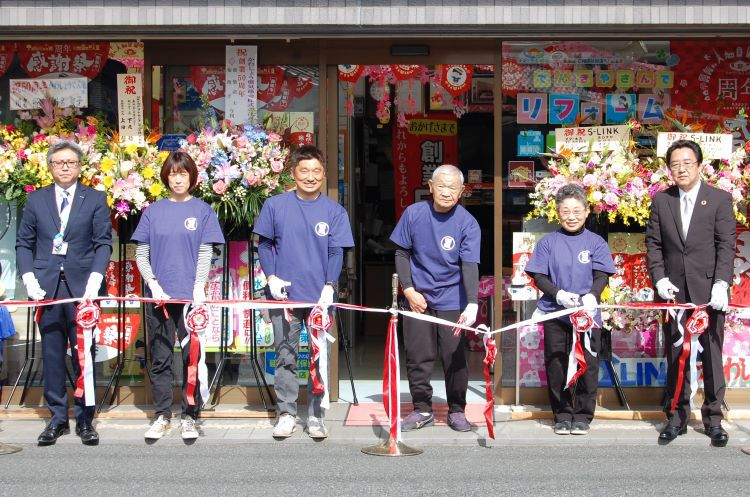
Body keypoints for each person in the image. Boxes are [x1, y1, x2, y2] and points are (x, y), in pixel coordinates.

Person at [253, 144, 353, 440]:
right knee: (285, 354)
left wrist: (330, 285)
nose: (311, 176)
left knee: (318, 356)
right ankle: (286, 413)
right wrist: (271, 277)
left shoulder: (334, 211)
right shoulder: (275, 205)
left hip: (320, 298)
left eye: (317, 171)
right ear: (294, 173)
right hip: (283, 295)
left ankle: (316, 415)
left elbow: (336, 252)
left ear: (324, 174)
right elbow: (265, 245)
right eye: (305, 170)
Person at [16, 140, 112, 446]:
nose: (65, 167)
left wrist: (95, 278)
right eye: (59, 163)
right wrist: (28, 277)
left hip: (83, 288)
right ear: (50, 167)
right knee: (52, 354)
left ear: (80, 166)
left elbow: (103, 243)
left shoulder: (95, 198)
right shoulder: (36, 200)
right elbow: (24, 243)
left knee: (84, 356)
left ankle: (85, 419)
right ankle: (57, 418)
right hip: (47, 288)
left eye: (71, 162)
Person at [646, 139, 735, 446]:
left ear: (699, 165)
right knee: (676, 354)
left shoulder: (719, 199)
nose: (681, 169)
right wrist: (659, 279)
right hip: (674, 293)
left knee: (711, 355)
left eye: (687, 163)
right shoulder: (662, 201)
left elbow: (726, 245)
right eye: (675, 164)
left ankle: (713, 420)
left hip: (709, 292)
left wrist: (722, 283)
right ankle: (677, 417)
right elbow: (654, 245)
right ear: (669, 169)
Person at [132, 151, 224, 442]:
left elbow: (205, 252)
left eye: (183, 173)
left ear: (192, 177)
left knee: (190, 357)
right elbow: (141, 253)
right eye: (173, 174)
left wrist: (198, 285)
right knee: (160, 356)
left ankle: (190, 415)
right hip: (159, 297)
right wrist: (153, 283)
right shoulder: (153, 212)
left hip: (190, 298)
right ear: (166, 178)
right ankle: (162, 415)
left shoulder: (202, 210)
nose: (178, 179)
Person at [390, 164, 480, 432]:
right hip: (417, 299)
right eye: (441, 186)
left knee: (454, 357)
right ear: (430, 187)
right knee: (418, 356)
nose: (446, 192)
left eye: (453, 187)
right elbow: (401, 253)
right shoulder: (414, 214)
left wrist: (472, 302)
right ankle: (421, 409)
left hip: (453, 299)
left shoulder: (467, 222)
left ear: (462, 191)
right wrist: (408, 289)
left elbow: (469, 264)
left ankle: (457, 410)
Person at [524, 184, 615, 435]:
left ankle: (583, 415)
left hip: (587, 314)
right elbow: (539, 276)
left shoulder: (596, 242)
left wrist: (593, 295)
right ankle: (562, 414)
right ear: (558, 213)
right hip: (555, 312)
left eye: (576, 211)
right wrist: (558, 294)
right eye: (566, 211)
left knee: (588, 364)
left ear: (586, 212)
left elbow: (602, 274)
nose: (571, 216)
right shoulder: (548, 243)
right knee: (557, 363)